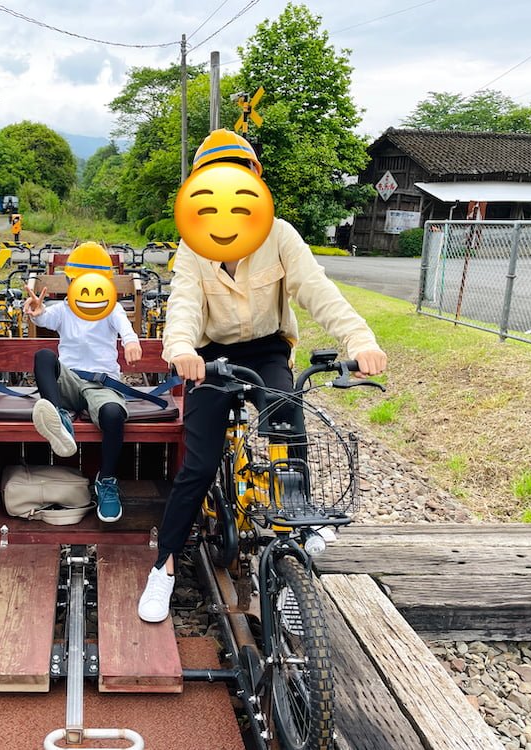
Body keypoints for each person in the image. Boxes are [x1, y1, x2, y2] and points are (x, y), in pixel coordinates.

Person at [137, 130, 387, 622]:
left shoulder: (280, 234)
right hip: (208, 354)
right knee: (199, 463)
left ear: (255, 180)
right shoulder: (193, 245)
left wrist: (360, 340)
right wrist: (181, 348)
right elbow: (184, 302)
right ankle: (163, 567)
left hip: (267, 345)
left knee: (287, 422)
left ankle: (297, 534)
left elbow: (317, 290)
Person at [23, 257, 142, 523]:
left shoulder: (111, 309)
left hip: (100, 383)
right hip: (68, 380)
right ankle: (58, 417)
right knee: (44, 355)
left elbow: (126, 328)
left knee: (113, 413)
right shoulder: (64, 309)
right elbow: (44, 317)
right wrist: (36, 310)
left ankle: (107, 481)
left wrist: (132, 342)